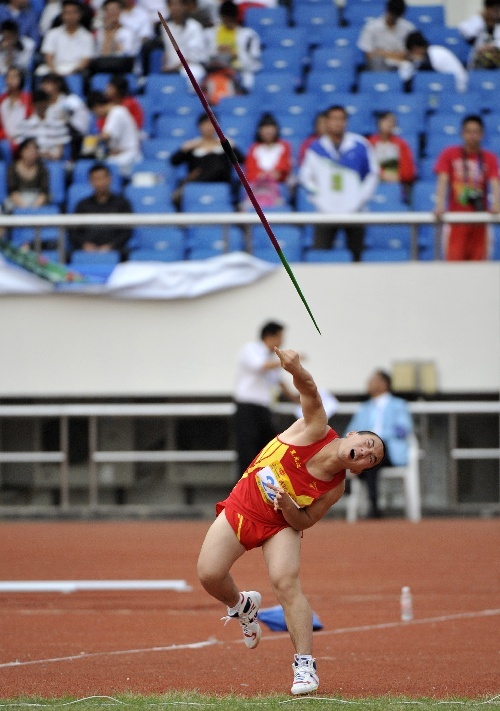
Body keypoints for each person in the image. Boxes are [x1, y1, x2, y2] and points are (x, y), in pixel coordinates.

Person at [198, 347, 385, 695]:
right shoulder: (316, 428)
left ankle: (305, 667)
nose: (367, 453)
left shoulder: (335, 488)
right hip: (244, 503)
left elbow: (305, 520)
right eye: (369, 444)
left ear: (360, 469)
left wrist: (285, 504)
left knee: (286, 583)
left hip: (281, 524)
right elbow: (309, 390)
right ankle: (243, 606)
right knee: (209, 574)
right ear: (355, 434)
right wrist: (296, 367)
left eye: (371, 460)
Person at [298, 104, 378, 262]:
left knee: (357, 256)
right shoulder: (316, 148)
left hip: (355, 211)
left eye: (341, 119)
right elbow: (306, 177)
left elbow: (372, 174)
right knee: (320, 254)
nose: (337, 123)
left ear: (346, 122)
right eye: (333, 119)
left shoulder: (360, 145)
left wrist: (360, 198)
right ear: (326, 122)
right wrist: (319, 198)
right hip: (325, 211)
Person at [233, 321, 298, 478]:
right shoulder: (251, 349)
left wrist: (295, 398)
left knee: (268, 448)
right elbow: (259, 366)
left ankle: (263, 487)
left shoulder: (270, 358)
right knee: (247, 451)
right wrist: (285, 360)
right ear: (270, 336)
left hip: (263, 408)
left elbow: (279, 381)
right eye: (280, 337)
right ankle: (242, 491)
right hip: (247, 407)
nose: (282, 341)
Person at [345, 369, 411, 519]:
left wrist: (377, 438)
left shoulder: (398, 405)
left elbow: (403, 429)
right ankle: (372, 504)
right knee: (367, 456)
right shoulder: (364, 408)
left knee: (370, 454)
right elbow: (351, 430)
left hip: (389, 450)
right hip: (365, 449)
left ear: (383, 384)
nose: (368, 383)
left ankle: (372, 502)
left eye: (372, 380)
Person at [434, 114, 500, 261]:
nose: (472, 136)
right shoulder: (449, 154)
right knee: (454, 268)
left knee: (479, 269)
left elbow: (495, 182)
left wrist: (496, 204)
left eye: (476, 132)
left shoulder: (490, 158)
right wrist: (439, 205)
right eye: (469, 132)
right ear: (462, 133)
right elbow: (443, 180)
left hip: (480, 222)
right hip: (456, 222)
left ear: (482, 134)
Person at [170, 111, 243, 209]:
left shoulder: (224, 145)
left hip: (221, 182)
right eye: (205, 124)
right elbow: (174, 161)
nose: (209, 127)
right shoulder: (192, 145)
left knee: (219, 167)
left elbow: (241, 160)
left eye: (212, 124)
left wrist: (231, 147)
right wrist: (183, 149)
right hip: (197, 184)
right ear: (199, 126)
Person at [68, 162, 133, 257]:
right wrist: (84, 245)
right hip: (86, 251)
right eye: (96, 179)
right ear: (90, 182)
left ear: (109, 179)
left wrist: (111, 246)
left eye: (103, 178)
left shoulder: (122, 204)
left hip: (115, 251)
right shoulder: (82, 205)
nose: (100, 182)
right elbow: (74, 232)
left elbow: (127, 232)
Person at [203, 0, 261, 100]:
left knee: (249, 82)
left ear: (235, 17)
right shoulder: (210, 34)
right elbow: (203, 56)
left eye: (229, 19)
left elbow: (255, 64)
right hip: (215, 70)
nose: (227, 22)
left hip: (239, 70)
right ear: (221, 17)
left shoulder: (249, 35)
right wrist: (216, 52)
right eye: (224, 18)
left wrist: (236, 55)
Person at [87, 90, 142, 176]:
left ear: (97, 107)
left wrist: (90, 140)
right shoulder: (114, 112)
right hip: (121, 156)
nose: (96, 116)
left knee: (103, 169)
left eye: (94, 112)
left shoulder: (117, 112)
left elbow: (105, 136)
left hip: (129, 157)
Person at [243, 113, 292, 209]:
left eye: (270, 127)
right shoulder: (254, 148)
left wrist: (275, 175)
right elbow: (250, 171)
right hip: (257, 185)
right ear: (259, 131)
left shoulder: (284, 146)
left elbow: (284, 167)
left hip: (278, 185)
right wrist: (262, 176)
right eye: (265, 128)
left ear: (276, 129)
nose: (268, 131)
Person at [39, 72, 92, 160]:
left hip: (73, 138)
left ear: (58, 84)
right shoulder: (44, 106)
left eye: (48, 83)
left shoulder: (71, 100)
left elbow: (75, 127)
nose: (44, 87)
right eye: (43, 84)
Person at [368, 111, 416, 201]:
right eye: (386, 121)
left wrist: (398, 177)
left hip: (397, 186)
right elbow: (365, 168)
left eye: (392, 122)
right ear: (379, 122)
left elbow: (409, 173)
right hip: (372, 185)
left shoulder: (402, 144)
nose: (389, 124)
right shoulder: (369, 144)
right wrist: (381, 175)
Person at [400, 31, 469, 93]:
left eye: (412, 52)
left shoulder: (434, 53)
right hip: (446, 85)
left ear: (415, 48)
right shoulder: (433, 51)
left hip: (457, 88)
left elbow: (424, 72)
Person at [40, 0, 95, 77]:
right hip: (55, 69)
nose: (70, 16)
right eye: (67, 13)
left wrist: (73, 71)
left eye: (74, 13)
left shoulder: (87, 36)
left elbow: (86, 59)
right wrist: (54, 71)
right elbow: (48, 55)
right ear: (62, 15)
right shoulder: (52, 33)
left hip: (76, 70)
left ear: (79, 14)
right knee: (40, 72)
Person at [357, 0, 415, 72]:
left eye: (397, 16)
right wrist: (398, 55)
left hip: (402, 64)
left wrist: (381, 53)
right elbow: (369, 55)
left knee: (411, 66)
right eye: (392, 15)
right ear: (387, 10)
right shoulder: (371, 27)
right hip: (380, 64)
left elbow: (412, 54)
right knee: (376, 62)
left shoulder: (409, 28)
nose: (394, 18)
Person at [15, 88, 70, 161]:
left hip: (53, 161)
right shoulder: (25, 124)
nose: (41, 106)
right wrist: (38, 154)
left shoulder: (58, 123)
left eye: (43, 103)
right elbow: (22, 147)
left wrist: (55, 155)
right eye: (38, 104)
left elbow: (60, 146)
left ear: (48, 103)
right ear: (33, 105)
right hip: (33, 160)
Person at [161, 0, 207, 87]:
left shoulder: (194, 27)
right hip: (171, 69)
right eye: (172, 5)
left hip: (192, 67)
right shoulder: (165, 28)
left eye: (178, 5)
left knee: (190, 75)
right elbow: (167, 51)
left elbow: (195, 55)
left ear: (185, 7)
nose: (175, 8)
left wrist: (176, 67)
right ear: (168, 7)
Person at [4, 137, 50, 213]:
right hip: (18, 199)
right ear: (22, 151)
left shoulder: (43, 169)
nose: (32, 153)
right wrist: (24, 208)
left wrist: (33, 208)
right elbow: (12, 191)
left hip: (36, 199)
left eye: (34, 150)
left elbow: (44, 192)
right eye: (28, 150)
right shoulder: (12, 168)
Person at [458, 0, 500, 69]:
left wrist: (493, 46)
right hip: (477, 63)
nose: (497, 13)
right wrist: (481, 19)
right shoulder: (477, 21)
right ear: (487, 9)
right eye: (495, 9)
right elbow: (465, 31)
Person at [0, 66, 32, 146]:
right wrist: (5, 136)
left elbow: (31, 120)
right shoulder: (1, 100)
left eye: (14, 76)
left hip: (25, 139)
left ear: (21, 79)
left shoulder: (28, 99)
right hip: (5, 140)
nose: (11, 79)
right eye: (9, 76)